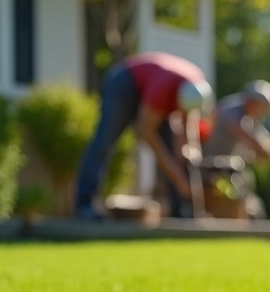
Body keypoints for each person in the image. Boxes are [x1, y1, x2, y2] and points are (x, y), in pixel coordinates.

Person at [74, 52, 213, 220]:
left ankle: (182, 211)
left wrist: (191, 150)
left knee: (174, 149)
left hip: (155, 89)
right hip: (125, 85)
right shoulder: (163, 87)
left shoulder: (196, 84)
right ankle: (85, 204)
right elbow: (146, 132)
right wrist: (178, 178)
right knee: (104, 142)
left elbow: (188, 122)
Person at [202, 80, 270, 213]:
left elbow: (262, 137)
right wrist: (264, 150)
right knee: (241, 193)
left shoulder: (250, 115)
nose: (264, 110)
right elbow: (246, 136)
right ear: (253, 101)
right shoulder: (231, 111)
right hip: (212, 167)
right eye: (264, 106)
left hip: (231, 167)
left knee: (249, 194)